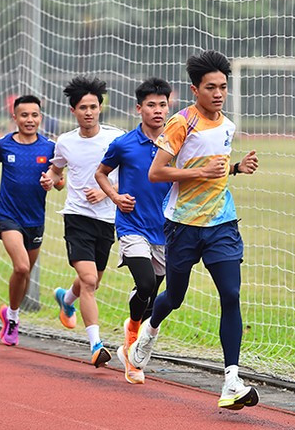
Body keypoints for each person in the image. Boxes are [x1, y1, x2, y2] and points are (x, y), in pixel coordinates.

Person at [127, 50, 260, 410]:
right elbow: (157, 173)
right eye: (211, 87)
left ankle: (231, 379)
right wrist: (201, 173)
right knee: (174, 296)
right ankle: (149, 330)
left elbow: (214, 170)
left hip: (221, 223)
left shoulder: (228, 126)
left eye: (223, 87)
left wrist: (235, 168)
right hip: (182, 225)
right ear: (194, 89)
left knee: (230, 295)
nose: (218, 93)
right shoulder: (180, 123)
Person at [41, 76, 123, 368]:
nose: (88, 112)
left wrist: (105, 192)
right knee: (89, 280)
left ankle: (66, 299)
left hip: (107, 218)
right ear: (73, 111)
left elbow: (127, 173)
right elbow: (55, 169)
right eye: (82, 107)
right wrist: (49, 180)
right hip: (76, 217)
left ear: (100, 108)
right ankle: (96, 345)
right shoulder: (65, 142)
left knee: (93, 281)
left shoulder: (115, 139)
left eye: (93, 106)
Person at [94, 77, 172, 384]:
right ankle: (132, 337)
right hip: (132, 226)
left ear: (169, 107)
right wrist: (115, 197)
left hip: (166, 230)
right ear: (139, 109)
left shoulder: (176, 143)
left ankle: (132, 348)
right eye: (150, 105)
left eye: (162, 105)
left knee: (153, 294)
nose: (157, 110)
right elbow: (101, 173)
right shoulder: (123, 144)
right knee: (145, 282)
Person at [0, 95, 65, 346]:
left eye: (34, 115)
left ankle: (10, 313)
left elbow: (60, 182)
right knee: (22, 267)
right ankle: (14, 318)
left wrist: (52, 181)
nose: (30, 120)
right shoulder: (4, 145)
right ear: (15, 117)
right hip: (8, 216)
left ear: (41, 117)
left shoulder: (49, 147)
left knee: (24, 273)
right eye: (24, 115)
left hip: (35, 218)